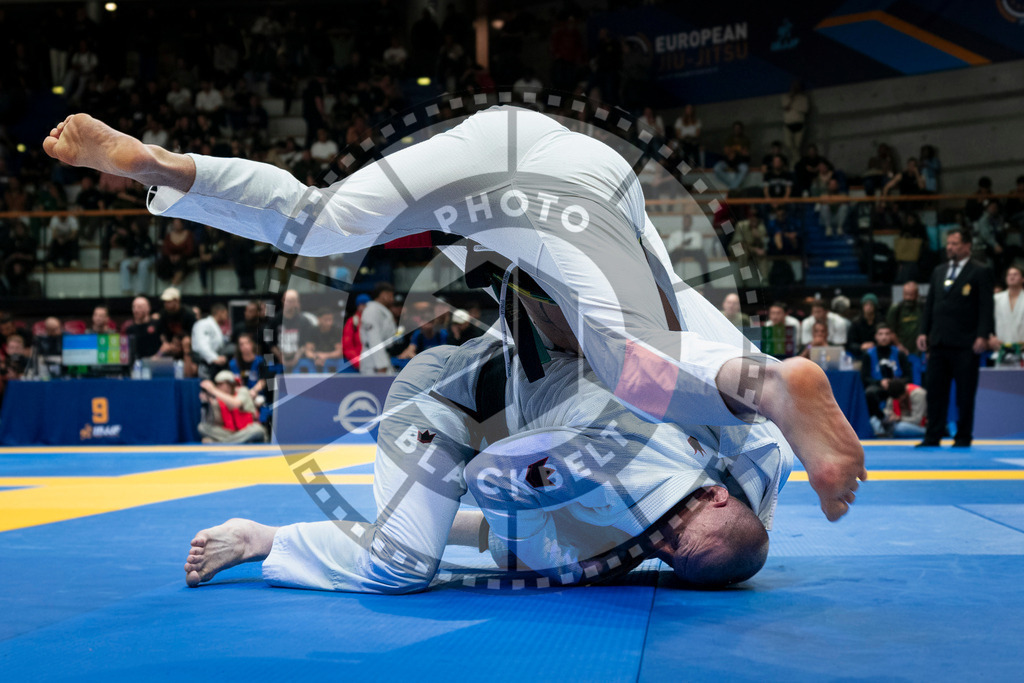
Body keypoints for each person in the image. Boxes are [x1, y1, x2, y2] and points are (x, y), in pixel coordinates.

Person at [43, 107, 865, 522]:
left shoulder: (543, 271)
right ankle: (765, 385)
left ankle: (161, 163)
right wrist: (763, 406)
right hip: (586, 173)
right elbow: (667, 350)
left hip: (496, 143)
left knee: (317, 215)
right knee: (630, 355)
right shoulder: (708, 429)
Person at [182, 329, 795, 592]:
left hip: (511, 413)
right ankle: (266, 540)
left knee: (539, 544)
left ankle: (260, 538)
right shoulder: (757, 448)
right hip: (444, 402)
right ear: (718, 493)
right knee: (402, 567)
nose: (655, 535)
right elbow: (486, 479)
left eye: (664, 550)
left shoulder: (726, 491)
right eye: (674, 523)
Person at [916, 229, 995, 447]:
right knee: (935, 392)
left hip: (966, 343)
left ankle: (963, 435)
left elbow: (986, 307)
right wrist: (924, 331)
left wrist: (982, 335)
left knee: (964, 394)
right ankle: (932, 435)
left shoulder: (980, 271)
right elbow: (930, 304)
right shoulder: (939, 271)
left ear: (967, 246)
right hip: (939, 342)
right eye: (948, 243)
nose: (950, 247)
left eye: (955, 243)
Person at [861, 324, 911, 431]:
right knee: (870, 393)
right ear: (876, 336)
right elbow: (865, 377)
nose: (884, 337)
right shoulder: (868, 354)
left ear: (892, 336)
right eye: (881, 334)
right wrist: (880, 382)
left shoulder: (899, 353)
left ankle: (904, 421)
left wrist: (894, 383)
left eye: (887, 334)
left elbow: (908, 376)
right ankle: (882, 420)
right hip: (879, 387)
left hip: (897, 387)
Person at [198, 370, 267, 444]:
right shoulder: (218, 398)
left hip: (246, 431)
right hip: (231, 433)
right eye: (217, 385)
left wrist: (213, 390)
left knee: (258, 430)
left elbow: (235, 404)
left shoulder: (242, 391)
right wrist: (212, 404)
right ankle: (234, 442)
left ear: (229, 384)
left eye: (220, 384)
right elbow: (219, 423)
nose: (218, 387)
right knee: (202, 427)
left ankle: (223, 443)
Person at [228, 332, 271, 424]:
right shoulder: (233, 364)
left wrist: (254, 391)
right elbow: (231, 383)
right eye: (242, 344)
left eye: (247, 343)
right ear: (239, 348)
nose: (245, 346)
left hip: (257, 396)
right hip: (239, 397)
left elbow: (263, 381)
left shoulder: (261, 361)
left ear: (252, 344)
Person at [989, 263, 1024, 366]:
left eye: (1015, 274)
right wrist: (990, 337)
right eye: (1009, 275)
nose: (1012, 276)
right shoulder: (996, 298)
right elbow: (988, 320)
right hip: (1001, 349)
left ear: (1022, 279)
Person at [360, 282, 397, 376]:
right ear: (384, 295)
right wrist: (381, 365)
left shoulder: (381, 310)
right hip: (373, 361)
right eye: (391, 296)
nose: (392, 299)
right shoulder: (371, 311)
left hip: (383, 355)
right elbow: (374, 338)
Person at [273, 289, 315, 372]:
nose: (286, 303)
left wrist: (296, 358)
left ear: (296, 302)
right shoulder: (274, 320)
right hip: (278, 361)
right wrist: (279, 356)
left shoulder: (304, 321)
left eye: (290, 301)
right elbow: (269, 343)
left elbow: (306, 343)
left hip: (300, 360)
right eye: (285, 300)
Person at [154, 286, 197, 359]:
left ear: (177, 301)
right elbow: (162, 333)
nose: (166, 304)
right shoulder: (163, 314)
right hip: (171, 346)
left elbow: (194, 334)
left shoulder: (189, 314)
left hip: (187, 346)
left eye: (169, 302)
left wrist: (183, 344)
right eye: (165, 302)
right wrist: (167, 343)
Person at [191, 303, 232, 379]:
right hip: (203, 363)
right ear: (220, 312)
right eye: (225, 314)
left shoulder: (215, 325)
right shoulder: (203, 324)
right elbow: (201, 345)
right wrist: (214, 358)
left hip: (212, 364)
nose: (226, 317)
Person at [887, 281, 923, 355]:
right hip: (901, 350)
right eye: (906, 294)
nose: (908, 297)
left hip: (920, 349)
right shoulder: (896, 309)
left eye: (911, 295)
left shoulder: (922, 308)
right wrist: (899, 346)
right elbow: (890, 331)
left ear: (917, 295)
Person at [846, 293, 881, 361]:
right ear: (862, 306)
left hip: (879, 355)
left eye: (871, 305)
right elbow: (850, 343)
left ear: (875, 306)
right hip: (859, 355)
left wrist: (874, 345)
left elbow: (886, 339)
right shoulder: (855, 323)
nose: (868, 307)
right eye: (866, 304)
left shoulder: (880, 321)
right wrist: (861, 346)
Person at [342, 294, 370, 370]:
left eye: (367, 305)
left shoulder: (375, 321)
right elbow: (347, 346)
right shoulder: (352, 322)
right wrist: (358, 363)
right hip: (357, 365)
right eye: (363, 305)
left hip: (373, 364)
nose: (365, 307)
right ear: (358, 306)